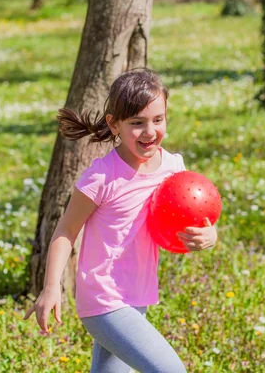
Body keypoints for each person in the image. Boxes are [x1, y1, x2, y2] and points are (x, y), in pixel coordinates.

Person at [24, 68, 218, 373]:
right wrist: (51, 288)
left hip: (137, 295)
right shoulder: (102, 177)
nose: (150, 132)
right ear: (114, 124)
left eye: (158, 120)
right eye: (137, 123)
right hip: (104, 299)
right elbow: (65, 230)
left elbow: (193, 212)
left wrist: (211, 234)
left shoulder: (173, 167)